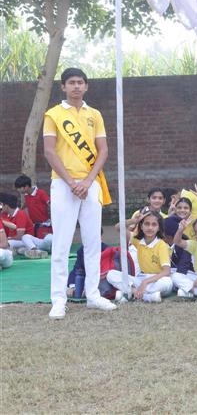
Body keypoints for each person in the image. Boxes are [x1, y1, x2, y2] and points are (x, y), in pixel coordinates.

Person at [43, 67, 116, 319]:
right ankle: (58, 299)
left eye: (80, 82)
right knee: (61, 242)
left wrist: (87, 180)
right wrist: (71, 182)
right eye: (71, 82)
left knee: (92, 240)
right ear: (63, 86)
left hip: (90, 183)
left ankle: (93, 295)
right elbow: (49, 151)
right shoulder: (53, 114)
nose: (76, 86)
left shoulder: (95, 114)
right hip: (63, 184)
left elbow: (103, 150)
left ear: (86, 86)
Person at [106, 210, 173, 303]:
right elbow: (118, 227)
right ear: (141, 226)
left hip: (157, 279)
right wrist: (134, 221)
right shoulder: (138, 240)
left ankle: (131, 293)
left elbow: (166, 271)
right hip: (141, 278)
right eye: (147, 224)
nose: (150, 227)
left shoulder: (162, 245)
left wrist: (146, 282)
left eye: (154, 225)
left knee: (167, 282)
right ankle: (145, 296)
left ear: (159, 228)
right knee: (111, 274)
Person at [14, 174, 52, 241]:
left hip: (44, 224)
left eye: (19, 188)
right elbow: (26, 205)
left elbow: (50, 203)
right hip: (33, 224)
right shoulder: (26, 195)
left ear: (26, 187)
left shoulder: (41, 193)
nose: (18, 190)